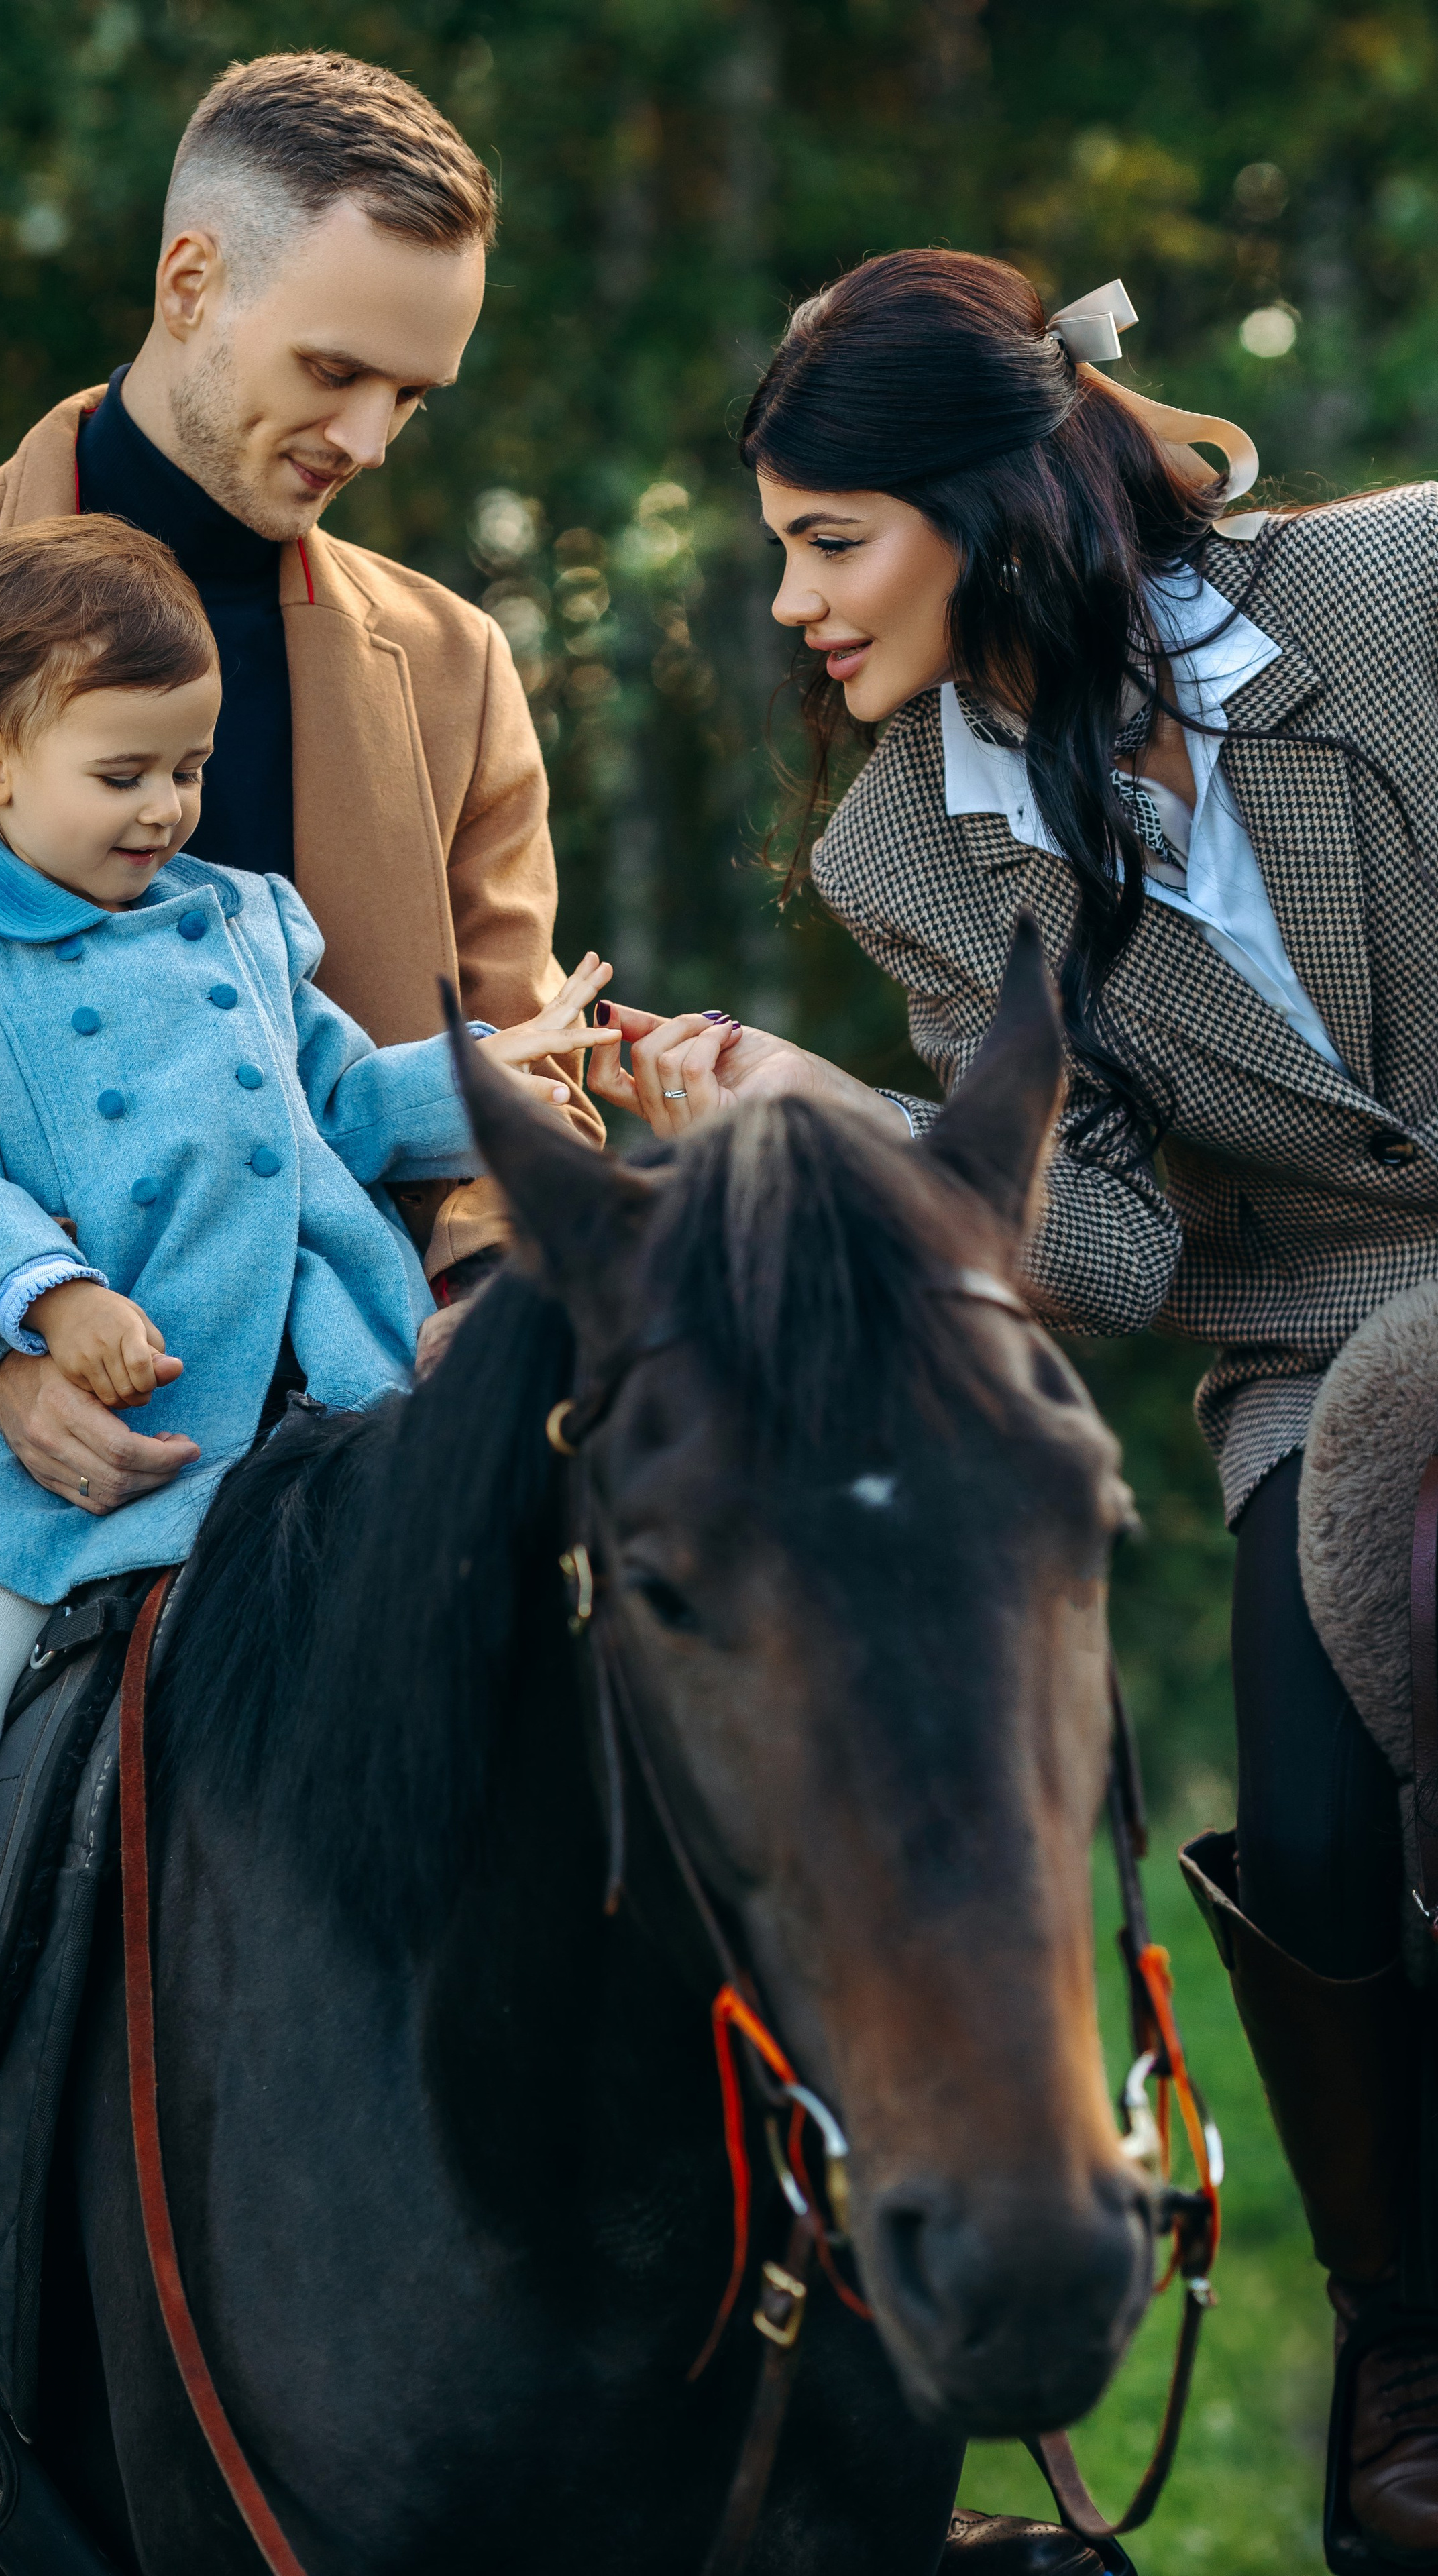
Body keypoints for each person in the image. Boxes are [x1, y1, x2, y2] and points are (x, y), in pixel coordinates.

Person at [0, 47, 600, 2553]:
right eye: (337, 370)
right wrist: (8, 1346)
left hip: (362, 1411)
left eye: (420, 393)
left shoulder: (448, 655)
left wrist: (475, 1293)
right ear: (191, 278)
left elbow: (473, 1112)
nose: (376, 436)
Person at [588, 249, 1438, 2565]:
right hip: (1315, 1355)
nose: (789, 602)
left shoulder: (1396, 590)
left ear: (985, 501)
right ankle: (1408, 2357)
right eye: (780, 549)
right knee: (1318, 1847)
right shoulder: (900, 852)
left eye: (825, 539)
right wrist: (837, 1113)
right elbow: (1128, 1263)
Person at [0, 513, 612, 2040]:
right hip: (72, 1390)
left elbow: (343, 1106)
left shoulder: (244, 919)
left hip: (299, 1348)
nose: (166, 807)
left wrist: (497, 1070)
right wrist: (48, 1297)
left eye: (188, 767)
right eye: (123, 775)